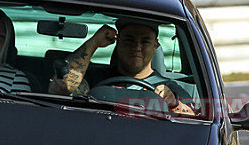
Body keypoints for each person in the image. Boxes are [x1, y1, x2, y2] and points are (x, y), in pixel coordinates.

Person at [48, 17, 194, 114]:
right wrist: (94, 42)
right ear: (118, 43)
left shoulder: (171, 89)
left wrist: (173, 104)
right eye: (129, 40)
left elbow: (195, 126)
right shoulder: (94, 79)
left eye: (145, 41)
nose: (137, 47)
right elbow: (62, 88)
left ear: (155, 45)